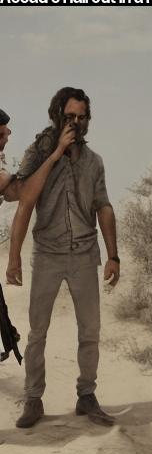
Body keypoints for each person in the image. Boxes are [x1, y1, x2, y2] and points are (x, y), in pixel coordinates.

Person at [8, 87, 119, 429]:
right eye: (69, 116)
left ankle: (87, 396)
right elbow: (24, 201)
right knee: (37, 331)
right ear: (56, 116)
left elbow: (103, 206)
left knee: (90, 330)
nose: (76, 123)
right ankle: (33, 399)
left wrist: (114, 255)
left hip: (85, 254)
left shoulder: (94, 162)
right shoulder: (39, 152)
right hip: (48, 254)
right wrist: (13, 259)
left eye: (82, 117)